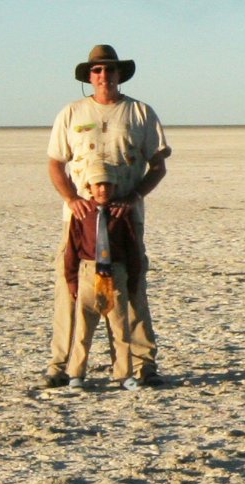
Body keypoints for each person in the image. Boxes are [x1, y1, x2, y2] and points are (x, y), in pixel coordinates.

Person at [43, 44, 170, 390]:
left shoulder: (140, 113)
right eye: (97, 71)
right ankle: (61, 366)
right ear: (89, 76)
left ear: (119, 74)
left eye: (110, 70)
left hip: (124, 219)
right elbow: (55, 163)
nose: (104, 77)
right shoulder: (71, 113)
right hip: (80, 221)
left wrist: (135, 196)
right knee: (71, 291)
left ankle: (142, 366)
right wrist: (71, 198)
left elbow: (158, 165)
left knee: (131, 289)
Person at [59, 156, 143, 388]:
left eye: (107, 184)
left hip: (115, 274)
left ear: (115, 187)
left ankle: (124, 374)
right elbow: (72, 249)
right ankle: (76, 373)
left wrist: (133, 280)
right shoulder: (82, 214)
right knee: (83, 329)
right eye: (98, 184)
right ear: (89, 187)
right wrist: (72, 281)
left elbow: (132, 248)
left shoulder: (122, 214)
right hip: (88, 272)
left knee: (120, 329)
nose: (103, 189)